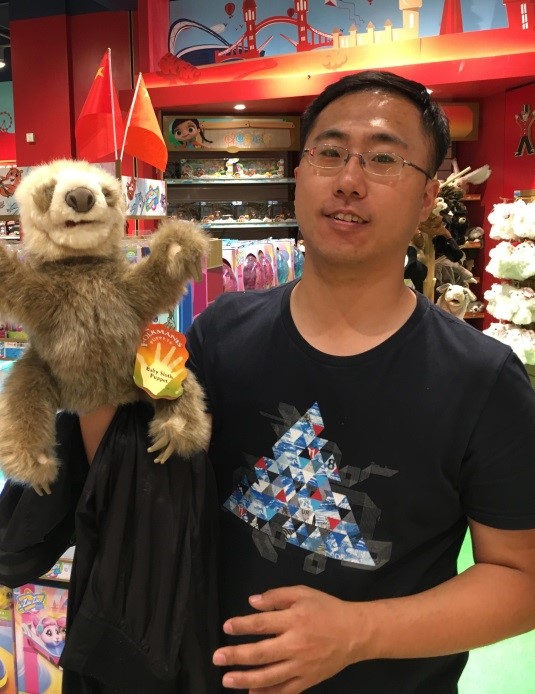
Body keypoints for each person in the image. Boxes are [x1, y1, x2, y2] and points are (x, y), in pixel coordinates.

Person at [182, 70, 535, 692]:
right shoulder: (219, 336)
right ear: (299, 172)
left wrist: (356, 633)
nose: (349, 180)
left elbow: (520, 580)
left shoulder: (482, 379)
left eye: (383, 159)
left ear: (427, 199)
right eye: (330, 152)